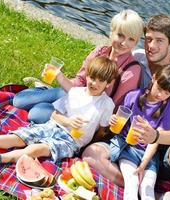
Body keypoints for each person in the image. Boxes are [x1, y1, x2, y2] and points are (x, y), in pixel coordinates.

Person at [82, 14, 170, 200]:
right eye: (149, 39)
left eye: (159, 41)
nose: (151, 46)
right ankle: (153, 193)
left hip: (160, 149)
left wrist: (157, 136)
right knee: (90, 155)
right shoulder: (137, 58)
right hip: (127, 140)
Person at [0, 56, 118, 168]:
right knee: (23, 136)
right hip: (54, 126)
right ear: (87, 76)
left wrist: (111, 125)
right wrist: (68, 121)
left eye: (100, 80)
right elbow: (54, 114)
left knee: (38, 149)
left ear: (108, 83)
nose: (94, 83)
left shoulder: (106, 104)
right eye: (92, 77)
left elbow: (103, 129)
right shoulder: (75, 92)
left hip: (71, 141)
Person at [13, 9, 144, 124]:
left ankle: (44, 96)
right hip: (74, 94)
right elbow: (80, 81)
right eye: (120, 35)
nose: (124, 43)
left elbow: (114, 107)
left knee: (36, 114)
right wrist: (60, 77)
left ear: (136, 42)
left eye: (131, 39)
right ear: (111, 33)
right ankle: (44, 94)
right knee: (18, 101)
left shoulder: (131, 71)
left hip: (90, 113)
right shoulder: (100, 51)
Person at [109, 65, 170, 200]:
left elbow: (156, 141)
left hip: (149, 156)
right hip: (129, 150)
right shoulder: (133, 96)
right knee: (132, 184)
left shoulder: (168, 109)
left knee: (146, 189)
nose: (160, 94)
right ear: (154, 78)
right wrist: (113, 121)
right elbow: (120, 123)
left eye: (166, 93)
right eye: (159, 88)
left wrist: (143, 165)